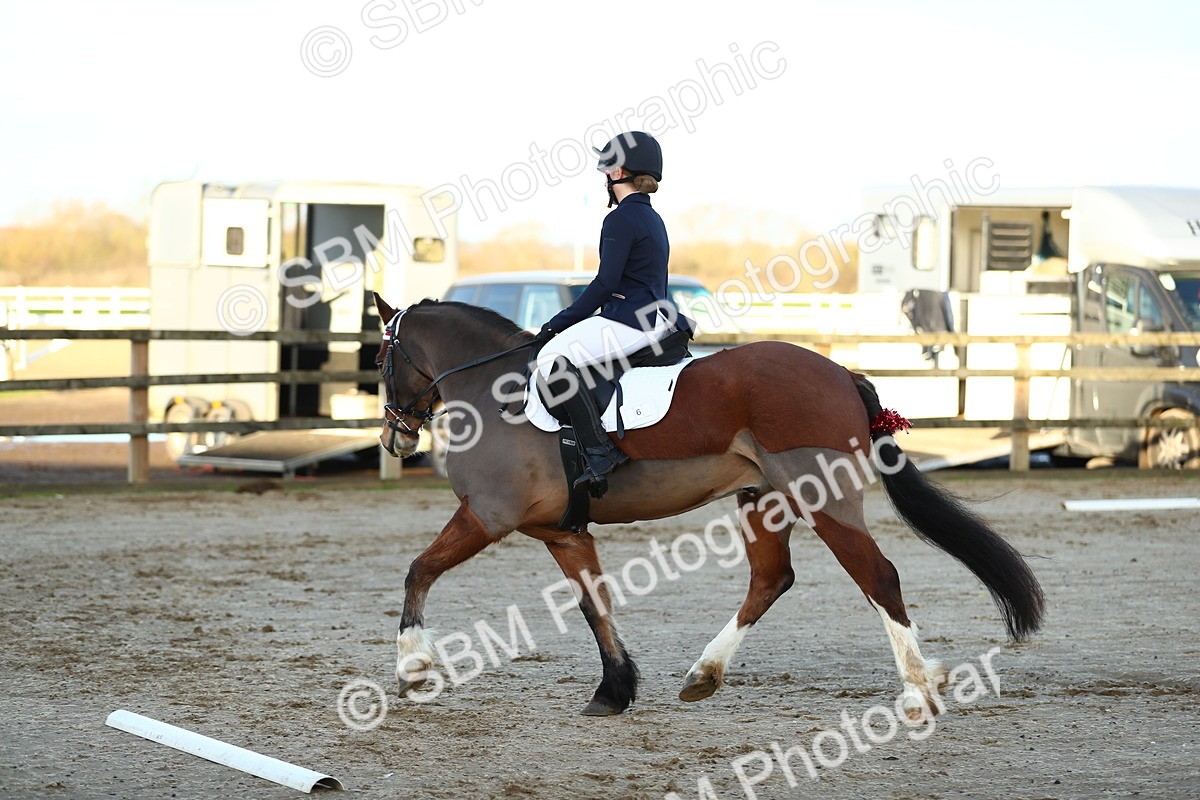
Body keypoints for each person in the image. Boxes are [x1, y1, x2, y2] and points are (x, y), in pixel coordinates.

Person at [534, 130, 689, 499]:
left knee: (550, 356)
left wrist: (557, 323)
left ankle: (601, 454)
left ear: (618, 171)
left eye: (606, 166)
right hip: (658, 317)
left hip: (629, 320)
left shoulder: (620, 219)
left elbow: (604, 284)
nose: (603, 173)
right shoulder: (652, 218)